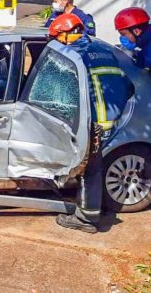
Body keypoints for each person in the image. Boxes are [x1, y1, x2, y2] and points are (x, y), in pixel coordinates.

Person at [48, 13, 134, 233]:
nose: (56, 43)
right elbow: (127, 85)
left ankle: (86, 219)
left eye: (57, 37)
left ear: (67, 34)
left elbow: (59, 90)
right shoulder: (103, 49)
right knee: (96, 166)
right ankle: (98, 206)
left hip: (90, 121)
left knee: (89, 170)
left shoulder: (72, 55)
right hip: (113, 119)